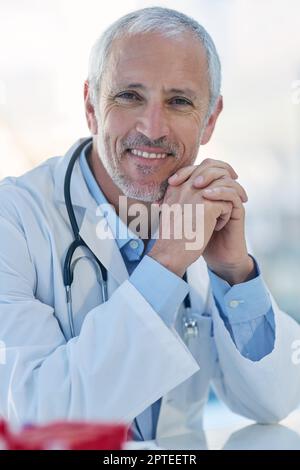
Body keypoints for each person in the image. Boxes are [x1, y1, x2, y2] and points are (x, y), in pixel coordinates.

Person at [0, 7, 299, 442]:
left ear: (210, 118)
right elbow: (36, 424)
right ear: (91, 106)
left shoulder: (203, 213)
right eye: (129, 96)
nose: (152, 127)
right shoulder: (14, 219)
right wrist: (165, 265)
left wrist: (235, 273)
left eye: (179, 101)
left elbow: (276, 401)